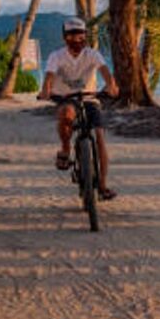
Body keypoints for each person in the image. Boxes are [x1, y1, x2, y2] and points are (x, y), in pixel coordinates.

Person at [38, 16, 120, 200]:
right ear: (65, 37)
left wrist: (111, 86)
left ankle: (103, 185)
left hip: (90, 98)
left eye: (80, 36)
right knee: (65, 114)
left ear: (85, 36)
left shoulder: (92, 54)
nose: (77, 40)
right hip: (66, 98)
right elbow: (49, 76)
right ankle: (66, 148)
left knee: (99, 137)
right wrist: (46, 91)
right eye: (72, 36)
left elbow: (105, 72)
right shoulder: (56, 56)